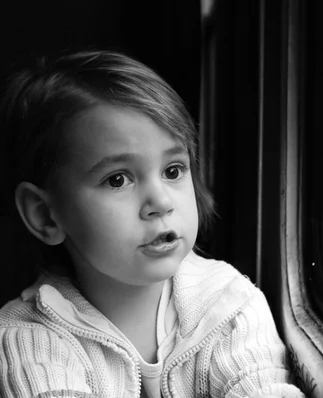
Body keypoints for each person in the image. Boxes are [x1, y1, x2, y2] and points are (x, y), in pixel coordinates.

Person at [0, 50, 304, 398]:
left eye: (173, 171)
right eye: (117, 180)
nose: (161, 202)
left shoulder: (230, 306)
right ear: (44, 214)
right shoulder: (30, 339)